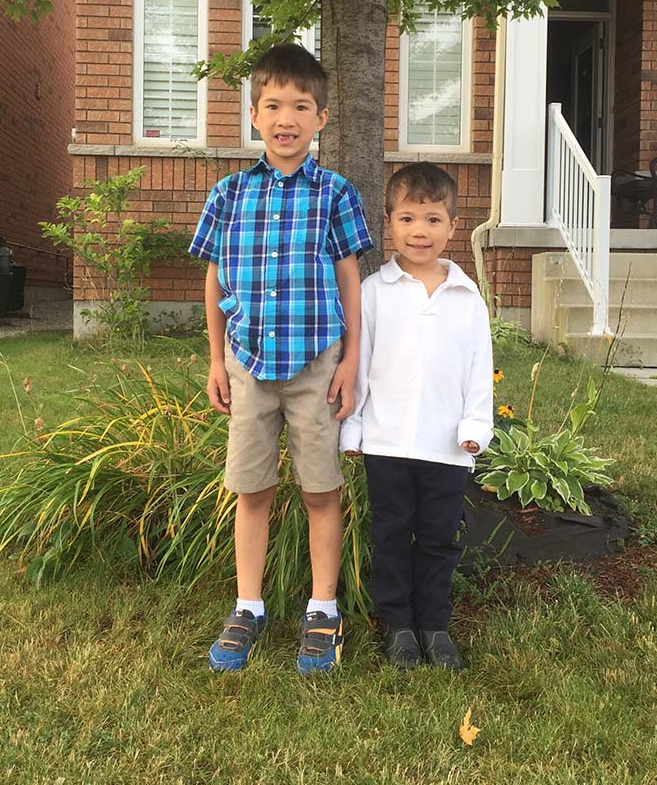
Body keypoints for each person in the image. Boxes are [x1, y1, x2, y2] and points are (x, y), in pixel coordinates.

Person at [189, 43, 373, 674]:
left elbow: (349, 277)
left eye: (301, 105)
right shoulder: (228, 194)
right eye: (274, 105)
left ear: (321, 118)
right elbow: (214, 281)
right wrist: (216, 357)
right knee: (253, 487)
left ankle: (323, 609)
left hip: (317, 364)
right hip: (246, 363)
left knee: (321, 488)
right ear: (253, 115)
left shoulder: (336, 193)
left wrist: (350, 358)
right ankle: (248, 606)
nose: (286, 117)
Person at [340, 161, 495, 671]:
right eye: (407, 218)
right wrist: (354, 426)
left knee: (437, 540)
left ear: (452, 225)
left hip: (446, 447)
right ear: (389, 223)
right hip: (387, 444)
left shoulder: (467, 296)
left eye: (432, 219)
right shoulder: (374, 292)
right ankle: (399, 627)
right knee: (390, 534)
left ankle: (434, 624)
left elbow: (478, 367)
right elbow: (359, 365)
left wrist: (475, 427)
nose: (419, 231)